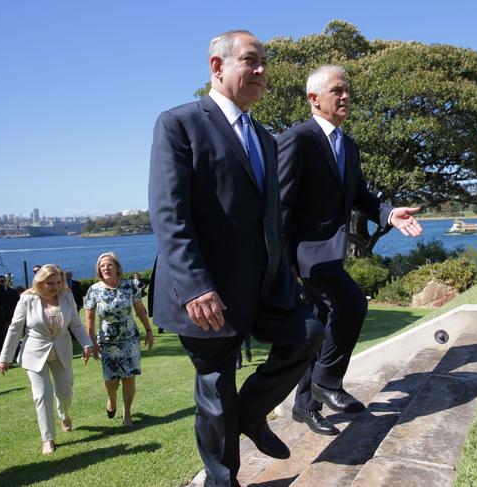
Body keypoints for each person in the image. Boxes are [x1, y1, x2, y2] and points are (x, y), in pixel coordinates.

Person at [148, 30, 324, 487]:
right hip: (204, 291)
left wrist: (283, 269)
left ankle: (250, 413)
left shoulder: (265, 138)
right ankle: (222, 480)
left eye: (265, 63)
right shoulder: (180, 123)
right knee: (215, 389)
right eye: (251, 61)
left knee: (308, 332)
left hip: (262, 284)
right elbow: (170, 214)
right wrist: (194, 286)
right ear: (217, 66)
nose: (262, 71)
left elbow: (269, 217)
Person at [278, 65, 424, 436]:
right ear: (314, 99)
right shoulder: (298, 138)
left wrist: (390, 214)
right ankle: (326, 381)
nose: (345, 97)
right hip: (305, 257)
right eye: (336, 90)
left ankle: (304, 405)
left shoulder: (349, 145)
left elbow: (362, 197)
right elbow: (278, 205)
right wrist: (284, 263)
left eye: (347, 91)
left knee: (318, 329)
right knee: (353, 304)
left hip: (330, 254)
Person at [0, 264, 93, 454]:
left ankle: (64, 414)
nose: (55, 286)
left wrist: (87, 344)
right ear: (40, 282)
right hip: (34, 352)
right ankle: (48, 438)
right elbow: (15, 329)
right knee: (42, 395)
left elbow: (76, 323)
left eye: (58, 282)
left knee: (65, 392)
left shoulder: (67, 296)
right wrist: (4, 358)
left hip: (62, 351)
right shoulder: (27, 299)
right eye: (50, 283)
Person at [84, 252, 154, 428]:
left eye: (109, 265)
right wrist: (91, 343)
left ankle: (127, 415)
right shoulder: (94, 290)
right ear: (99, 270)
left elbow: (139, 310)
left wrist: (149, 330)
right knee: (111, 380)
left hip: (130, 339)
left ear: (117, 267)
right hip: (107, 341)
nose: (106, 268)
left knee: (129, 378)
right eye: (102, 266)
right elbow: (90, 319)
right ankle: (111, 400)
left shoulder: (129, 286)